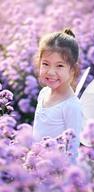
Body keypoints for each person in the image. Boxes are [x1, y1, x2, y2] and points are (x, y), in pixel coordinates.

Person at [32, 28, 83, 162]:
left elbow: (72, 151)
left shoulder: (71, 106)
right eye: (45, 64)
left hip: (56, 172)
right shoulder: (43, 93)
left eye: (59, 66)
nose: (51, 72)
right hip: (37, 166)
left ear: (73, 70)